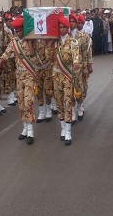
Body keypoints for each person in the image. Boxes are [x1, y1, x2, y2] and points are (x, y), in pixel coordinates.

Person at [0, 17, 39, 144]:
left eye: (20, 31)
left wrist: (30, 42)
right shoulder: (14, 42)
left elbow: (34, 57)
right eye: (16, 31)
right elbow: (6, 53)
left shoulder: (32, 40)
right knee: (21, 103)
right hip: (19, 76)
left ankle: (30, 130)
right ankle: (25, 128)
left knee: (28, 102)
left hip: (30, 75)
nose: (18, 33)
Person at [46, 16, 81, 145]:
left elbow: (76, 55)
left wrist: (76, 62)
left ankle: (68, 131)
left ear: (67, 28)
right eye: (59, 27)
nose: (61, 29)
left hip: (67, 76)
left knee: (67, 102)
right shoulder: (55, 43)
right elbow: (48, 58)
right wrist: (49, 46)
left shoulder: (73, 42)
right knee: (59, 102)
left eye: (64, 27)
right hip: (56, 76)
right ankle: (62, 127)